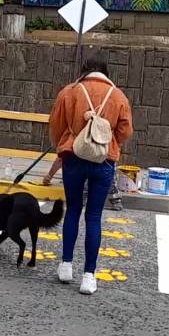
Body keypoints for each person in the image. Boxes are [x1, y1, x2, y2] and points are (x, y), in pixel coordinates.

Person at [49, 55, 133, 295]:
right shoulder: (118, 96)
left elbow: (55, 125)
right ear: (106, 73)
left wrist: (62, 144)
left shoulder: (70, 91)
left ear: (84, 71)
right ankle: (89, 276)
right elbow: (125, 131)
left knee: (73, 210)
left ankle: (66, 265)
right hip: (103, 160)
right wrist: (109, 141)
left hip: (73, 157)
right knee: (94, 216)